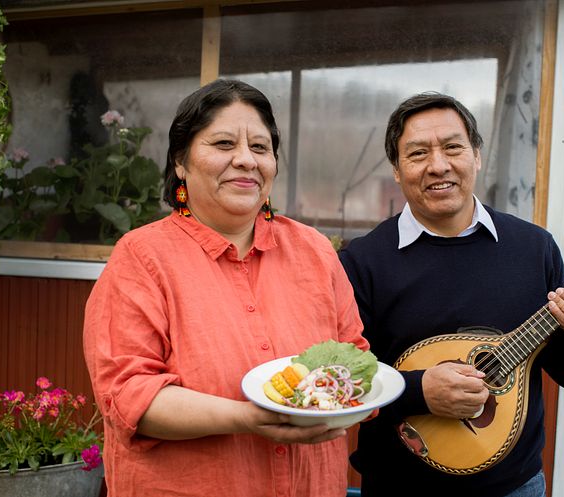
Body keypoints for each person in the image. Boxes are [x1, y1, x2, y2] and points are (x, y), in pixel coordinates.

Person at [83, 79, 368, 497]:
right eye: (222, 144)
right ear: (181, 161)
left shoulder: (314, 252)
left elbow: (354, 360)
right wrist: (247, 417)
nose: (245, 160)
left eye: (260, 147)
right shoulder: (142, 258)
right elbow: (129, 395)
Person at [338, 92, 564, 497]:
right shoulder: (362, 262)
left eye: (452, 147)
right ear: (396, 169)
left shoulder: (533, 249)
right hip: (399, 486)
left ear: (476, 156)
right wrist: (419, 391)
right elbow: (344, 379)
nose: (438, 165)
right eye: (417, 153)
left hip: (515, 487)